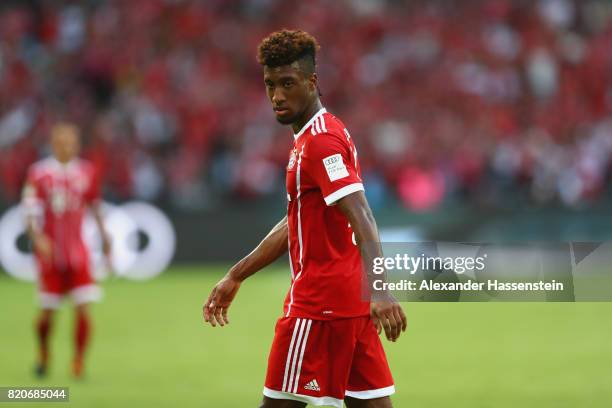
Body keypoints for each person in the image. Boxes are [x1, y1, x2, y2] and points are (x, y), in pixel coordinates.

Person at [203, 29, 407, 408]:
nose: (277, 96)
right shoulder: (320, 134)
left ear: (312, 82)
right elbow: (294, 223)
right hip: (351, 307)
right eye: (270, 85)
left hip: (317, 309)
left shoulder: (320, 142)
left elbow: (362, 214)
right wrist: (237, 274)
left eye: (287, 84)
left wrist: (380, 289)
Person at [21, 122, 111, 378]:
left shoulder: (87, 171)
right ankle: (43, 353)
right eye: (61, 142)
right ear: (53, 144)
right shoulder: (38, 174)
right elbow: (28, 212)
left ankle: (78, 362)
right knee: (48, 310)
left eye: (71, 142)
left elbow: (94, 205)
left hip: (78, 252)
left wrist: (105, 238)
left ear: (77, 144)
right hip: (50, 254)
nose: (66, 147)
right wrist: (37, 237)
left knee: (84, 306)